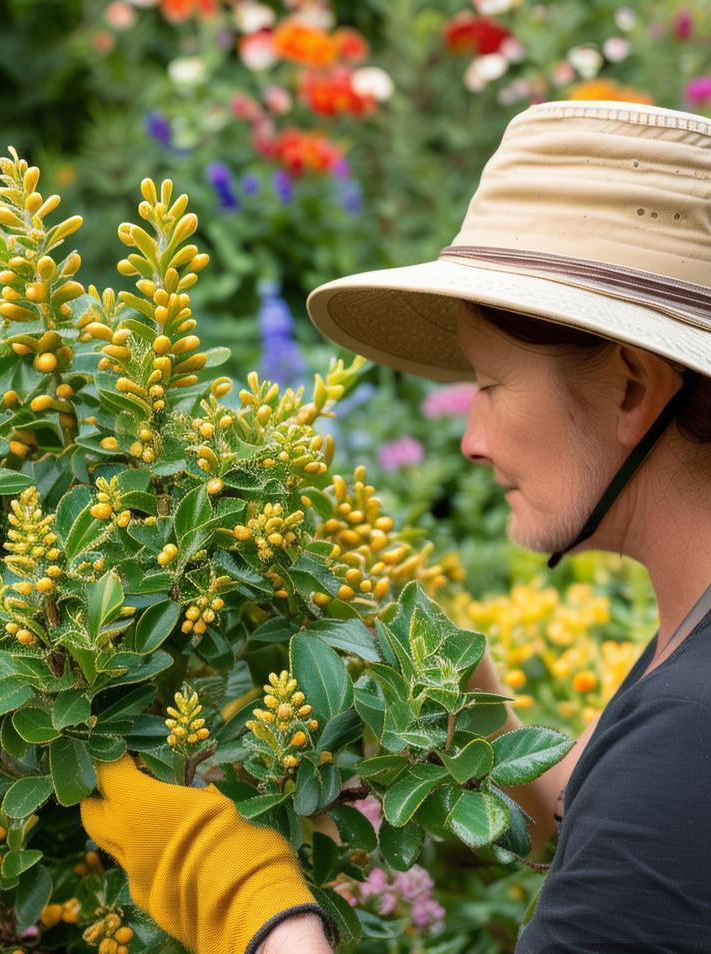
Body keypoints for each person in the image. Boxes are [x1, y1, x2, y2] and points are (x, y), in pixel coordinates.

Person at [81, 99, 711, 953]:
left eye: (490, 386)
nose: (471, 441)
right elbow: (644, 860)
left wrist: (247, 902)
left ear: (632, 385)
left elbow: (661, 811)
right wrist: (482, 722)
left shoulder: (687, 732)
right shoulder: (686, 656)